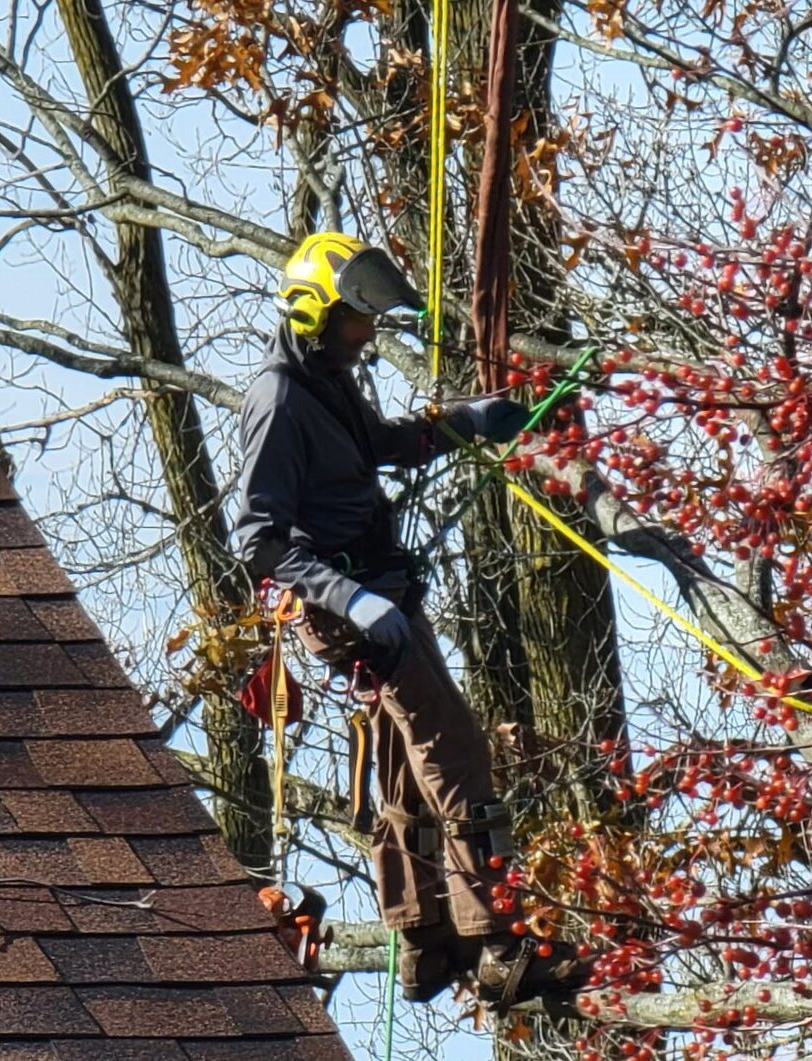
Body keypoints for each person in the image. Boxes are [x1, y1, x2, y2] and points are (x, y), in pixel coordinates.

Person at [235, 232, 589, 1007]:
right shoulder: (279, 399)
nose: (367, 336)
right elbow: (258, 539)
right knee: (453, 748)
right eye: (356, 322)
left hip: (381, 594)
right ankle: (498, 943)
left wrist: (465, 422)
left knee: (404, 764)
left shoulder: (326, 378)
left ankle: (426, 936)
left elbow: (380, 443)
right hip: (352, 606)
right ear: (314, 315)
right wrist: (349, 599)